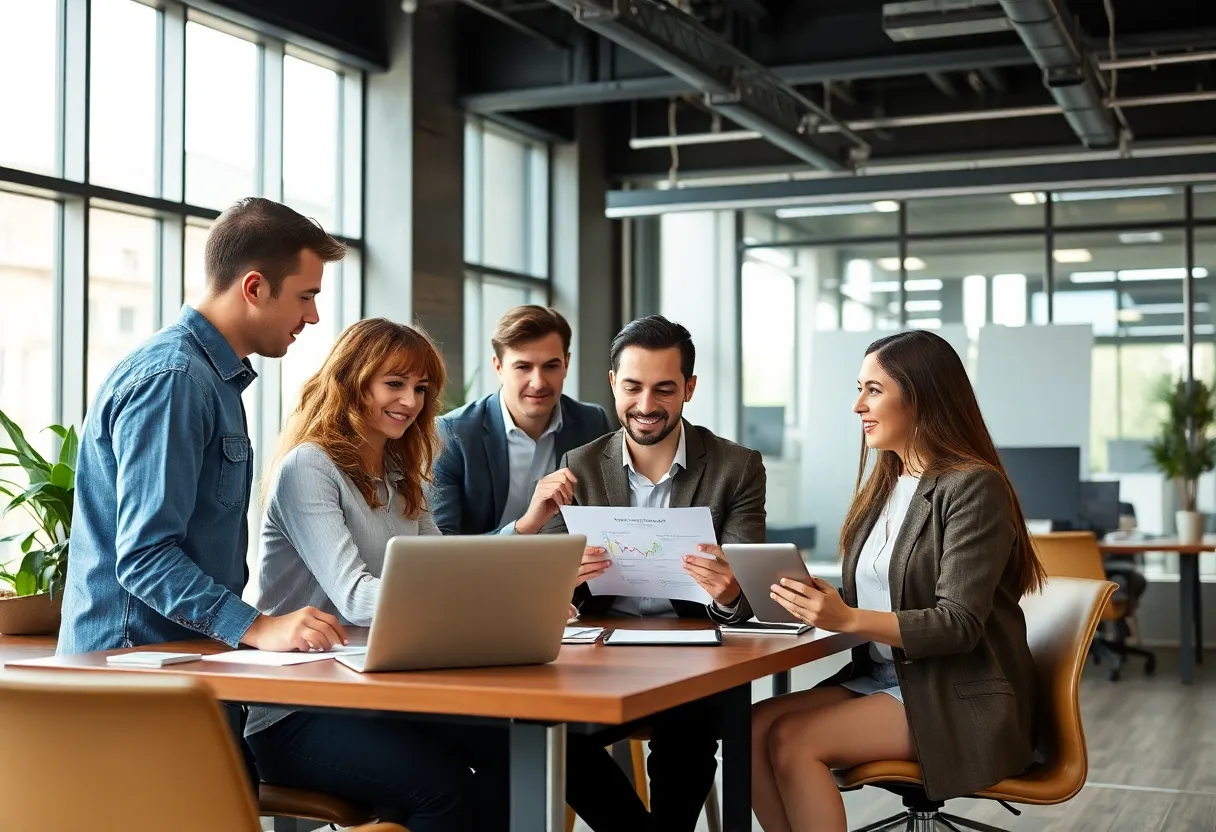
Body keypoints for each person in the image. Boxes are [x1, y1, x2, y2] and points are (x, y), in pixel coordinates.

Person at [58, 197, 350, 780]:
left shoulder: (211, 378)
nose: (313, 317)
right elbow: (144, 557)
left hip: (180, 669)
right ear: (254, 287)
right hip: (135, 679)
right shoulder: (176, 381)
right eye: (306, 296)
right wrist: (258, 626)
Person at [750, 329, 1044, 832]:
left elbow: (958, 625)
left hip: (953, 692)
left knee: (792, 741)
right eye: (858, 388)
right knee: (751, 728)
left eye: (874, 390)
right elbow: (882, 593)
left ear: (922, 396)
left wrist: (847, 618)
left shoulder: (973, 486)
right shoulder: (888, 482)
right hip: (887, 677)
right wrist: (820, 602)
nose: (857, 405)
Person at [249, 318, 509, 832]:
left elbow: (444, 570)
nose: (410, 401)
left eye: (420, 389)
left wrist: (512, 599)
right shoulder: (310, 467)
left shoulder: (398, 472)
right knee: (443, 788)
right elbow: (354, 597)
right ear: (353, 380)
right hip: (295, 711)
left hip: (375, 690)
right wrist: (469, 606)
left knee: (510, 749)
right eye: (395, 384)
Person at [535, 315, 766, 832]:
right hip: (597, 658)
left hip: (693, 658)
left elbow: (748, 595)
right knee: (545, 730)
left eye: (664, 389)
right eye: (633, 386)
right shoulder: (580, 463)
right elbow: (544, 581)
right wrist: (562, 582)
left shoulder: (737, 467)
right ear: (613, 382)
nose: (645, 405)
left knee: (688, 726)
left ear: (689, 388)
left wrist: (731, 591)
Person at [430, 305, 613, 537]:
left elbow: (606, 518)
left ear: (566, 364)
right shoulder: (453, 433)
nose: (538, 382)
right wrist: (524, 527)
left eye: (551, 366)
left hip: (564, 569)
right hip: (480, 572)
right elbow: (442, 545)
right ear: (498, 367)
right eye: (523, 367)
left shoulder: (592, 423)